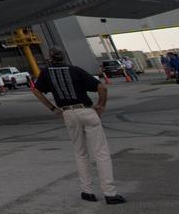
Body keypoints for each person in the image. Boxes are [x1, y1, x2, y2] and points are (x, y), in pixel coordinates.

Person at [32, 48, 124, 205]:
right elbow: (102, 87)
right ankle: (110, 193)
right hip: (86, 110)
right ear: (64, 57)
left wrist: (53, 108)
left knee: (80, 153)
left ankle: (87, 191)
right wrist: (101, 105)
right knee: (101, 152)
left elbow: (36, 90)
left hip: (68, 113)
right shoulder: (75, 70)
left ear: (50, 59)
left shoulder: (46, 73)